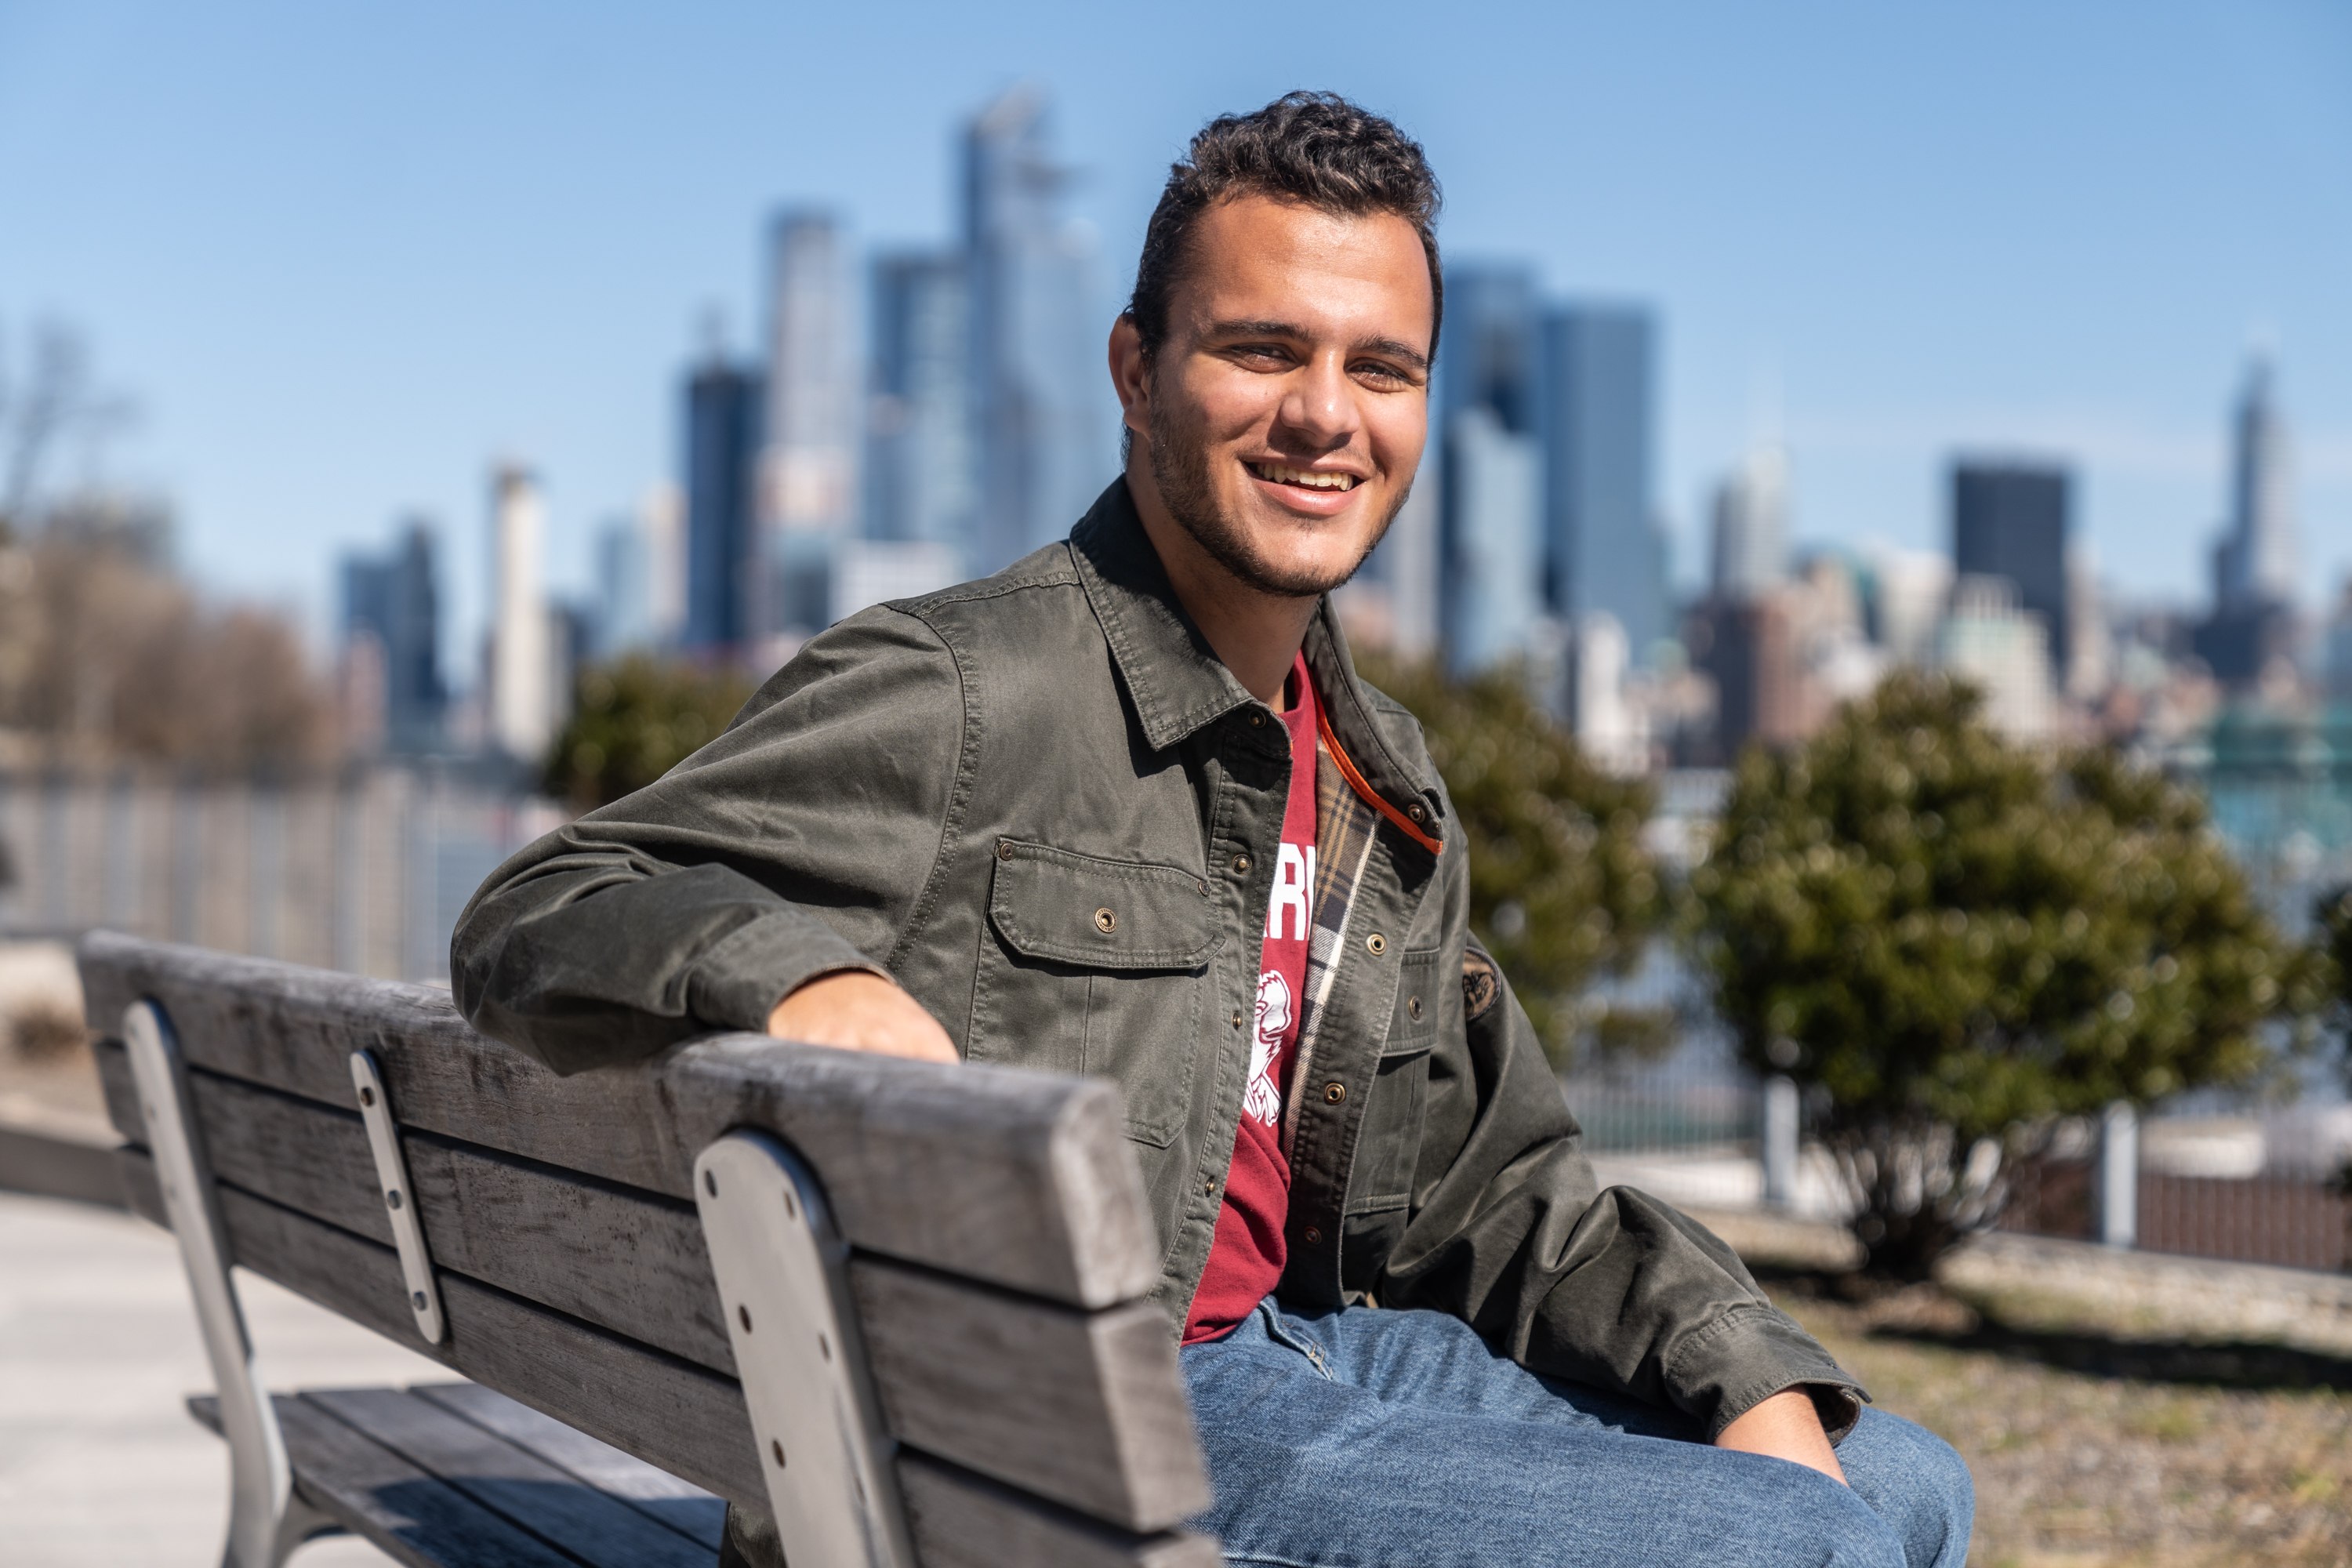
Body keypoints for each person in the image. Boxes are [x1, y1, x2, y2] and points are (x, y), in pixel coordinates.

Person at [453, 91, 1973, 1568]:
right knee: (1792, 1543)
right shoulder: (971, 688)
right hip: (1051, 1418)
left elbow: (1501, 1191)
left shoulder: (1379, 773)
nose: (1325, 412)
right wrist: (799, 979)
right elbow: (547, 906)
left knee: (1900, 1478)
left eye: (1383, 367)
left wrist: (1740, 1368)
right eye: (1262, 350)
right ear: (1135, 368)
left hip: (1297, 1357)